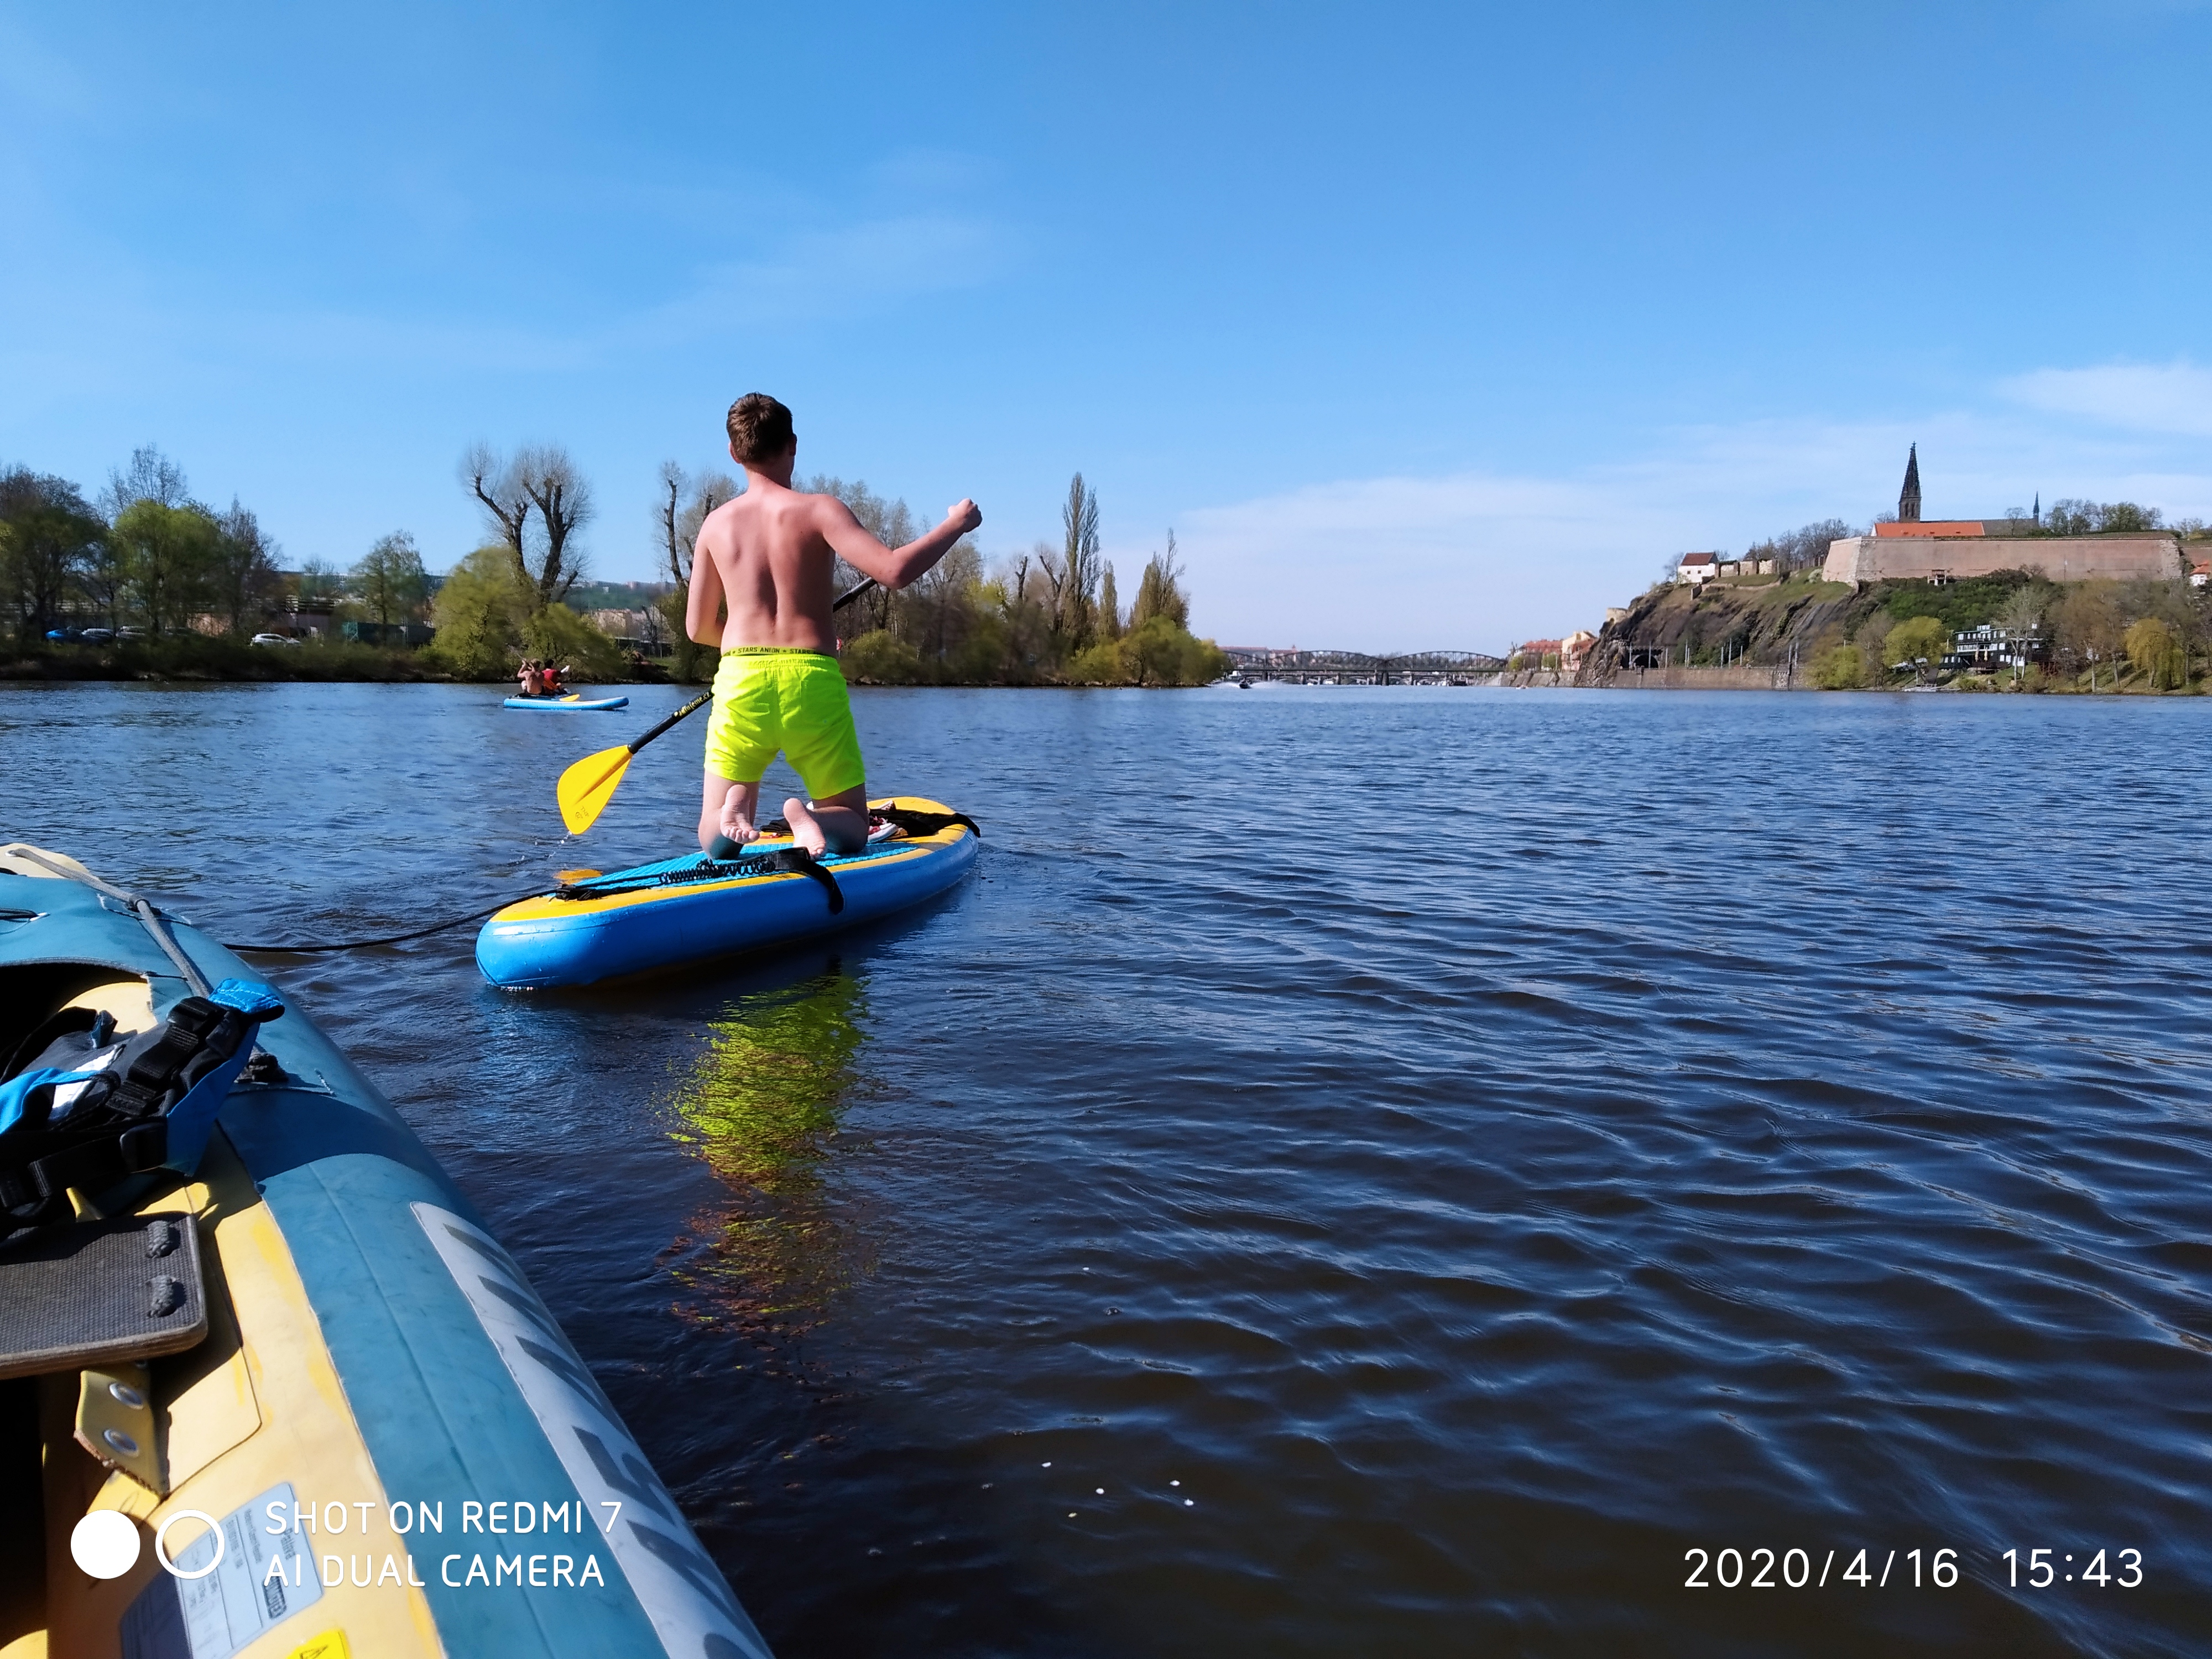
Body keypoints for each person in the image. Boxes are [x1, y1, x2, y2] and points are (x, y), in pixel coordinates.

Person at [686, 393, 979, 858]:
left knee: (713, 839)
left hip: (741, 680)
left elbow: (698, 629)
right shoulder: (819, 510)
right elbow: (894, 572)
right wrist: (956, 525)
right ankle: (811, 818)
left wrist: (754, 646)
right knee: (854, 829)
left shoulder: (716, 525)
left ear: (732, 452)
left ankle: (734, 808)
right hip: (811, 679)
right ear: (793, 445)